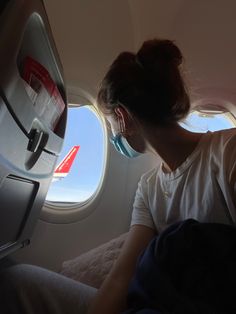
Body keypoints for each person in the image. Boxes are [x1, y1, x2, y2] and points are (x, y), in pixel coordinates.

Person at [0, 38, 235, 314]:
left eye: (110, 124)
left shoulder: (228, 151)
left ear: (122, 117)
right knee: (18, 279)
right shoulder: (148, 188)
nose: (114, 137)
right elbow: (121, 278)